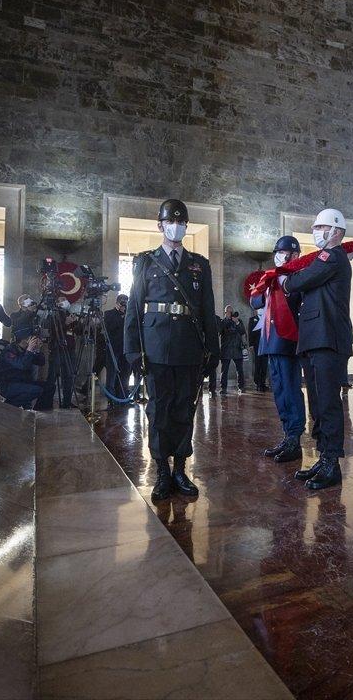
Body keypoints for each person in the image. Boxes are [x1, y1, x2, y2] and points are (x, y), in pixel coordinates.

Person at [123, 199, 220, 503]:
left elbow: (207, 309)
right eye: (171, 221)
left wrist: (212, 349)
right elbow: (134, 310)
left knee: (184, 408)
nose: (176, 226)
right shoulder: (145, 262)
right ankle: (162, 470)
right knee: (159, 409)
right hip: (156, 348)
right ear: (160, 225)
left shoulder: (199, 264)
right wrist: (133, 351)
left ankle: (180, 468)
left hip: (189, 346)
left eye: (181, 222)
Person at [283, 208, 353, 491]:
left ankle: (332, 463)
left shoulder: (333, 256)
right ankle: (324, 457)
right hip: (315, 338)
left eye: (320, 227)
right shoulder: (324, 259)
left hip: (328, 339)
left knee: (328, 402)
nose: (316, 232)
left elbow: (301, 281)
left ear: (335, 231)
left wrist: (287, 280)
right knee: (317, 403)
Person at [254, 235, 307, 463]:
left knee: (291, 389)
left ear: (295, 255)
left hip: (287, 340)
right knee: (279, 391)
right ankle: (287, 435)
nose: (281, 255)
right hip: (270, 340)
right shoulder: (271, 277)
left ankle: (295, 438)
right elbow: (254, 301)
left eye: (286, 252)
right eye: (279, 251)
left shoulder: (298, 278)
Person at [0, 327, 46, 409]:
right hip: (8, 384)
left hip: (22, 382)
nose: (35, 340)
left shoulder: (26, 349)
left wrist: (37, 350)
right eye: (32, 338)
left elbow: (41, 362)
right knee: (36, 390)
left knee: (49, 387)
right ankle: (9, 405)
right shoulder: (9, 351)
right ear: (25, 340)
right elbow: (22, 365)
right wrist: (29, 350)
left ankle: (40, 410)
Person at [102, 294, 131, 404]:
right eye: (122, 303)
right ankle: (111, 399)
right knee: (112, 374)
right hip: (113, 348)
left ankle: (123, 396)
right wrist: (122, 317)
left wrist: (127, 314)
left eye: (126, 303)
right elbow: (110, 328)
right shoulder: (108, 314)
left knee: (126, 373)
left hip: (126, 348)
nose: (124, 305)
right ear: (117, 303)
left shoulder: (129, 314)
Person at [219, 305, 246, 395]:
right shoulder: (222, 322)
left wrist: (237, 322)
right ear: (225, 313)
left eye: (231, 312)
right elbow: (219, 331)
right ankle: (223, 388)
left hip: (237, 348)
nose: (231, 314)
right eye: (228, 312)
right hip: (226, 349)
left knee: (240, 370)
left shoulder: (238, 321)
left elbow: (242, 332)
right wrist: (227, 320)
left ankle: (241, 387)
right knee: (224, 370)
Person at [248, 306, 268, 391]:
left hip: (265, 345)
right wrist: (251, 344)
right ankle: (257, 382)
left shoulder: (266, 318)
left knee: (264, 364)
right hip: (256, 345)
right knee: (257, 363)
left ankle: (263, 383)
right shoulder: (252, 319)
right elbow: (250, 332)